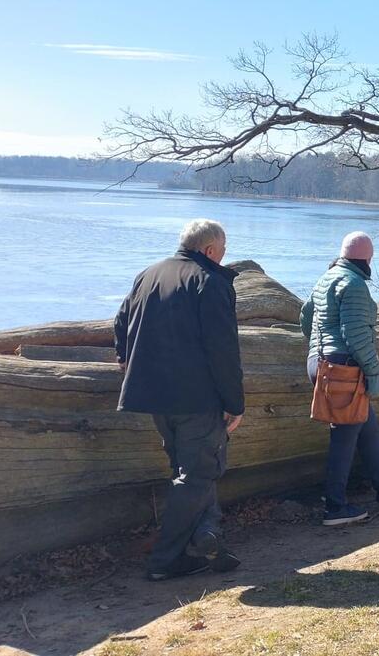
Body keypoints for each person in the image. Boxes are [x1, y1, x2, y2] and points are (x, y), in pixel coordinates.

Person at [114, 219, 244, 580]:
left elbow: (120, 321)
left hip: (153, 396)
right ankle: (165, 560)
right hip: (197, 398)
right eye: (223, 249)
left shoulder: (148, 274)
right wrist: (235, 403)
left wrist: (126, 361)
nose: (224, 256)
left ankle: (203, 537)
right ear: (209, 250)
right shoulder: (211, 281)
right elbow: (223, 351)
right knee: (199, 474)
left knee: (186, 471)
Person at [302, 232, 379, 527]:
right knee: (344, 439)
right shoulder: (354, 284)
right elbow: (355, 335)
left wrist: (319, 351)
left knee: (366, 428)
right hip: (343, 369)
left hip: (320, 362)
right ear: (367, 259)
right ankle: (335, 506)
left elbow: (305, 316)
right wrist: (373, 372)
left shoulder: (327, 277)